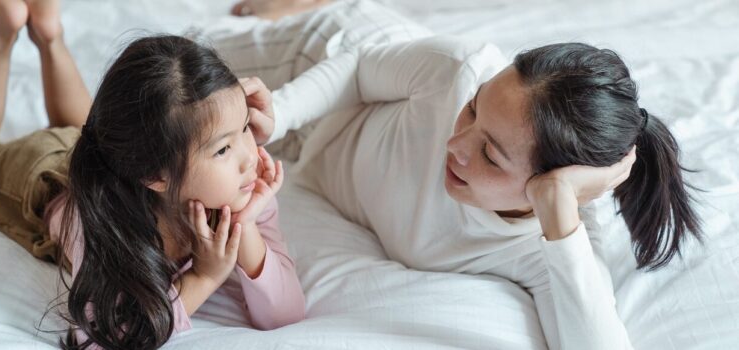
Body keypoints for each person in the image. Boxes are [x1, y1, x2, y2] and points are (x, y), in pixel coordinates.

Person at [217, 1, 702, 348]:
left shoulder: (546, 244)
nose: (456, 145)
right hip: (326, 59)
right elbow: (361, 68)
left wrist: (557, 205)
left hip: (313, 154)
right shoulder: (457, 69)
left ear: (546, 187)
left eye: (490, 156)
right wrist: (279, 113)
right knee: (188, 71)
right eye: (472, 110)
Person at [0, 1, 305, 349]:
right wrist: (202, 279)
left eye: (247, 127)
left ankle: (49, 35)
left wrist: (244, 224)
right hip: (38, 175)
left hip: (99, 155)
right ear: (155, 176)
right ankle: (2, 31)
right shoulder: (103, 225)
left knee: (79, 128)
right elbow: (103, 340)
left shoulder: (239, 187)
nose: (250, 158)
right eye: (223, 149)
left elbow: (285, 315)